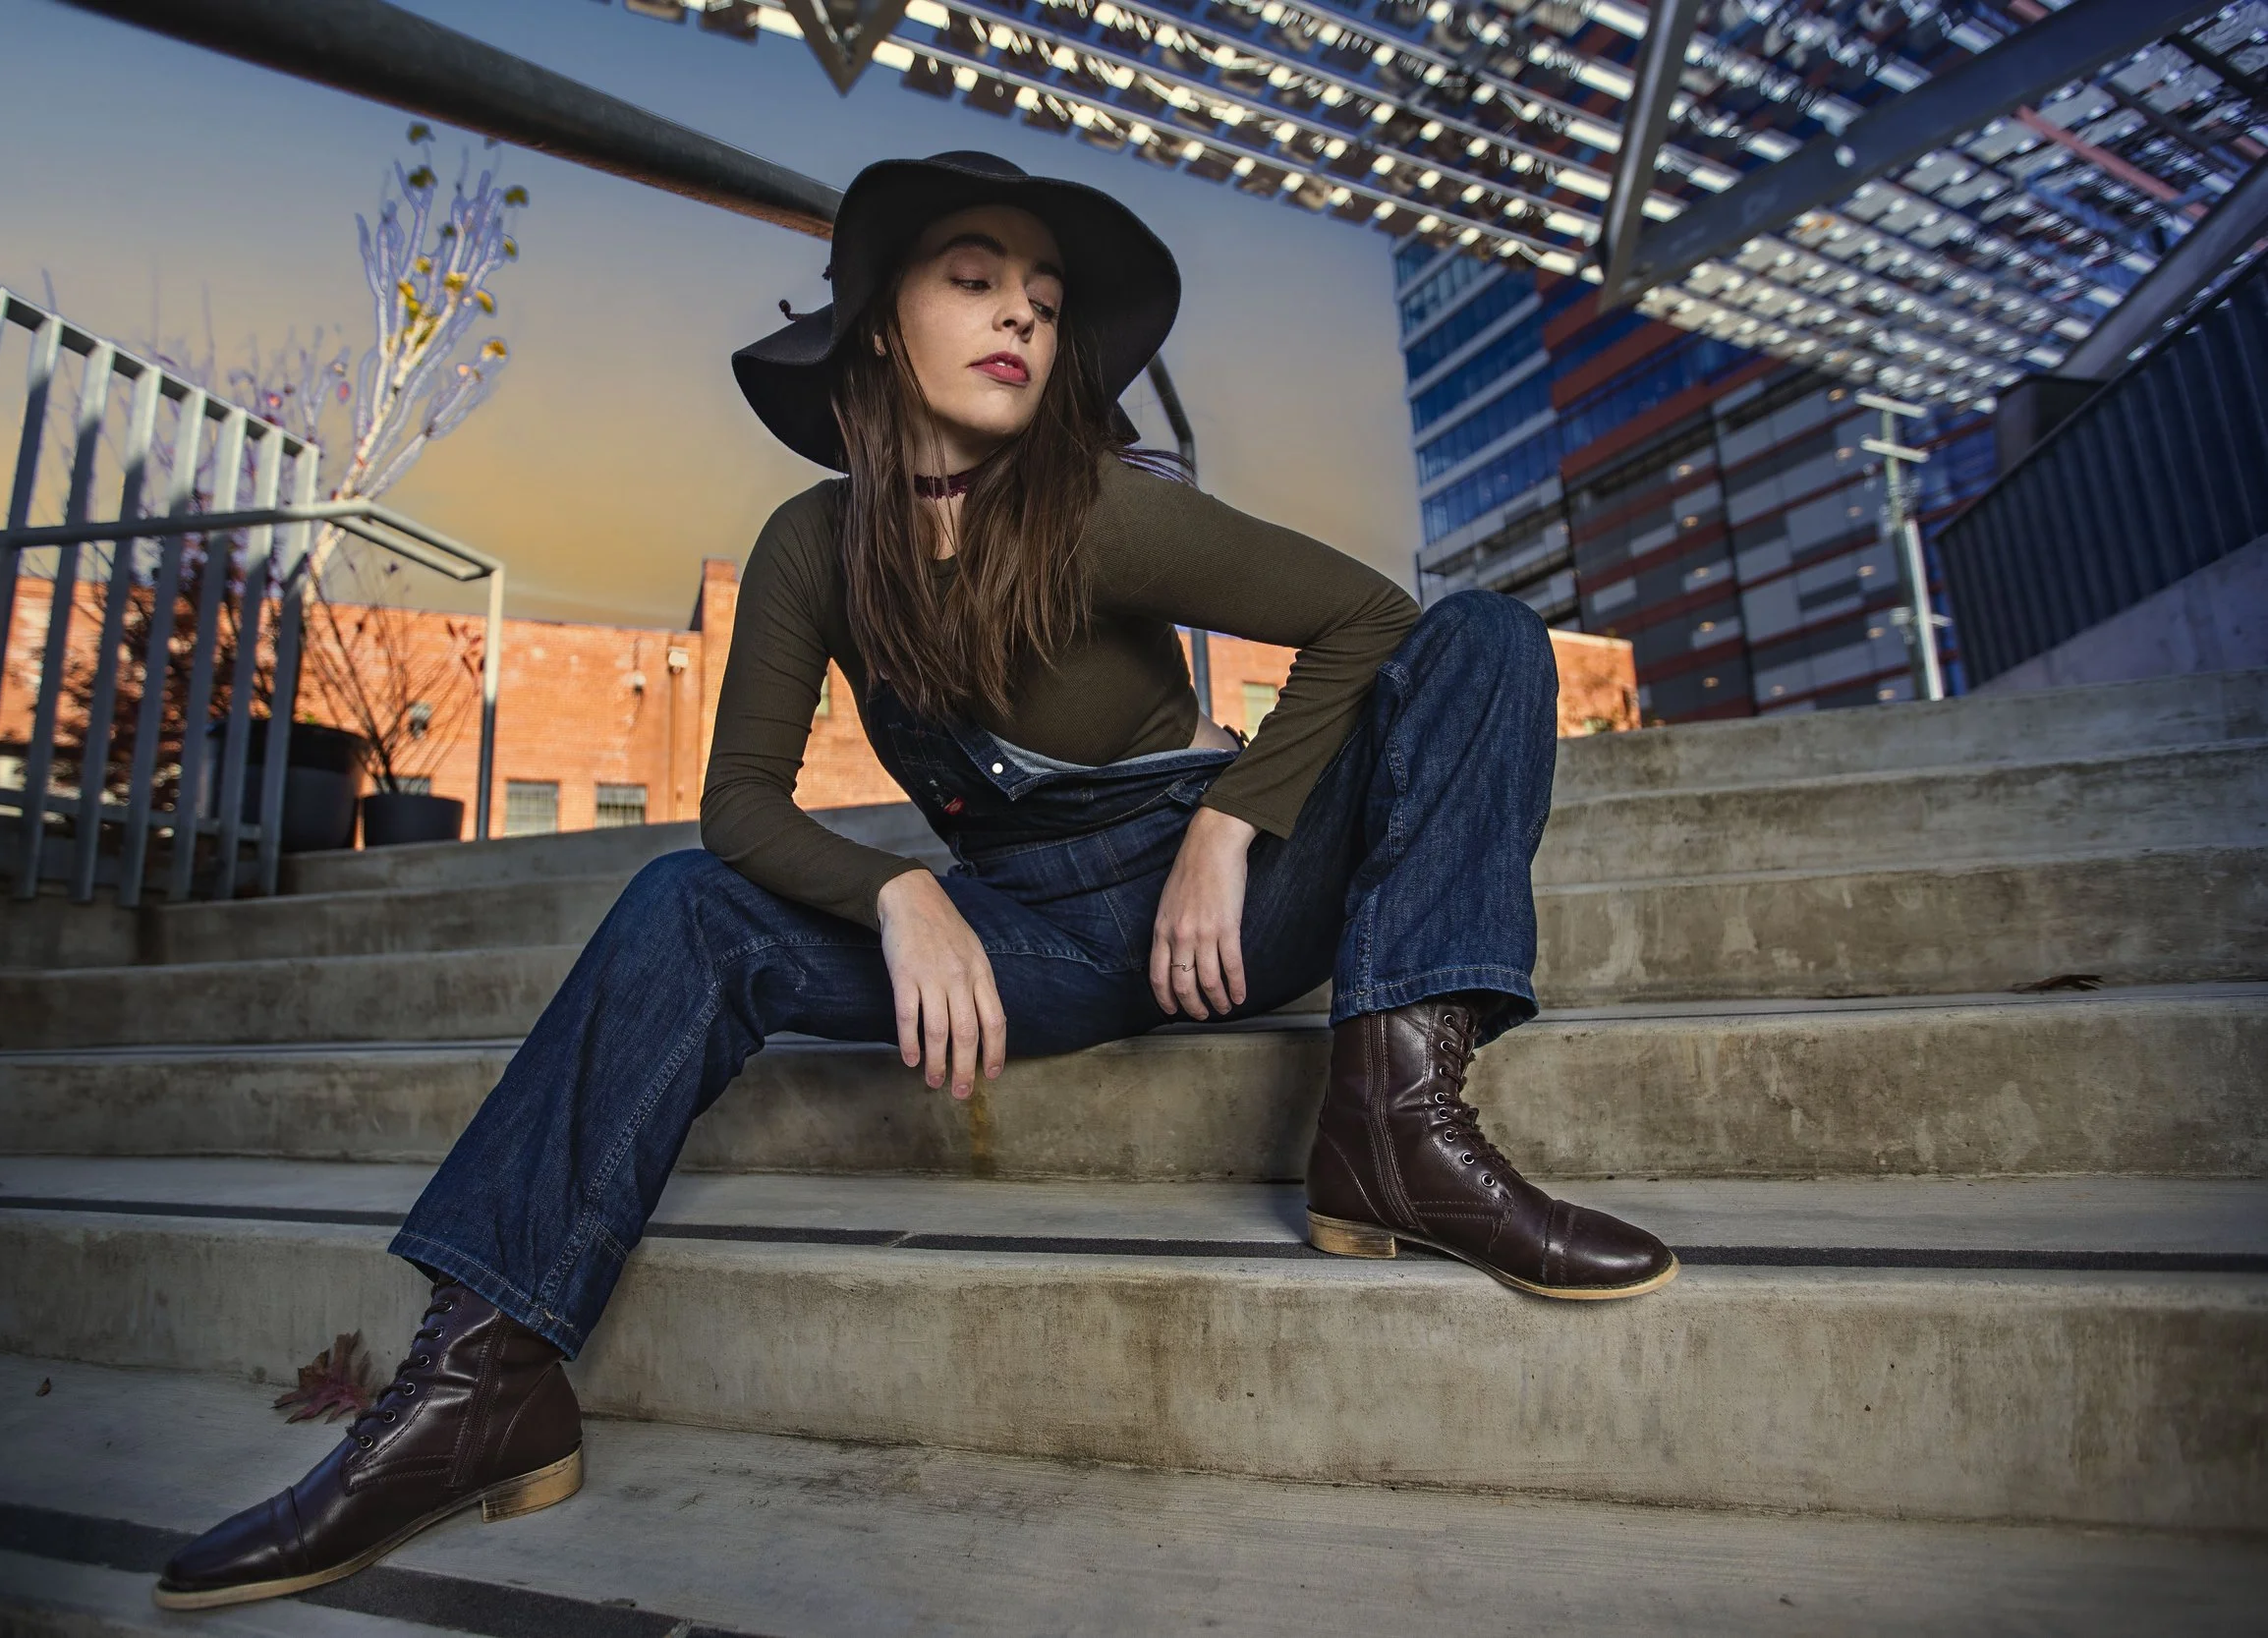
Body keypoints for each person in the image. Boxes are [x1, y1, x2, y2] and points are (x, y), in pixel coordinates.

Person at [153, 149, 1674, 1612]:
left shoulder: (1097, 503)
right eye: (975, 277)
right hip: (1025, 938)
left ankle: (1395, 1126)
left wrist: (1232, 823)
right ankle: (484, 1386)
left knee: (1481, 637)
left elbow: (1363, 619)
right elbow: (737, 802)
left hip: (1223, 905)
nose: (1022, 312)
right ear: (883, 326)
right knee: (679, 906)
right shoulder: (816, 545)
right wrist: (899, 892)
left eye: (1044, 296)